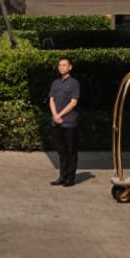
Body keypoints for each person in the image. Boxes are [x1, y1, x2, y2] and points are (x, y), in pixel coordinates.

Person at [47, 56, 80, 186]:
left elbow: (74, 102)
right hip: (56, 121)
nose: (61, 67)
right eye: (60, 65)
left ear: (70, 67)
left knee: (71, 150)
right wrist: (55, 115)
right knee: (61, 151)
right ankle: (62, 176)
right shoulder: (55, 83)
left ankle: (70, 178)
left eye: (64, 65)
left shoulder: (74, 83)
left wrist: (60, 114)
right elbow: (51, 100)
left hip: (69, 122)